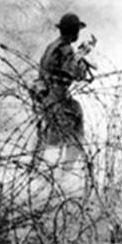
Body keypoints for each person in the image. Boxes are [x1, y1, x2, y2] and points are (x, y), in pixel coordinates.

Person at [31, 12, 96, 173]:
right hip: (57, 95)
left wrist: (79, 55)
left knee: (46, 132)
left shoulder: (53, 46)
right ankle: (65, 172)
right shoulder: (66, 49)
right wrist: (82, 58)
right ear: (74, 32)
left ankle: (34, 166)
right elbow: (77, 74)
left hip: (44, 94)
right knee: (75, 133)